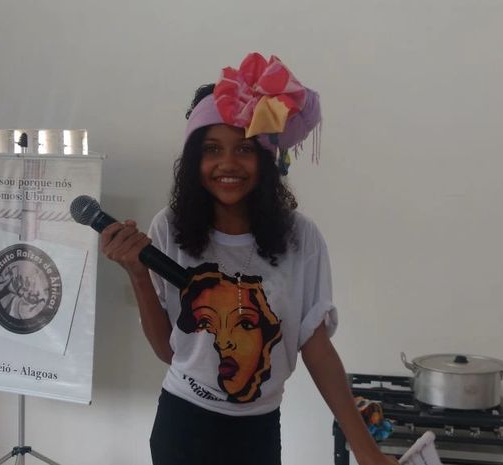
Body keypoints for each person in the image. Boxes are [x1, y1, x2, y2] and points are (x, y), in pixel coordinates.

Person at [101, 52, 398, 465]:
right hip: (182, 425)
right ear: (194, 161)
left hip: (259, 430)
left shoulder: (301, 238)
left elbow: (316, 347)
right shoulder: (170, 227)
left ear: (265, 158)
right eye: (212, 149)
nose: (227, 164)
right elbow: (169, 351)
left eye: (243, 148)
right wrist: (137, 273)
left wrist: (366, 450)